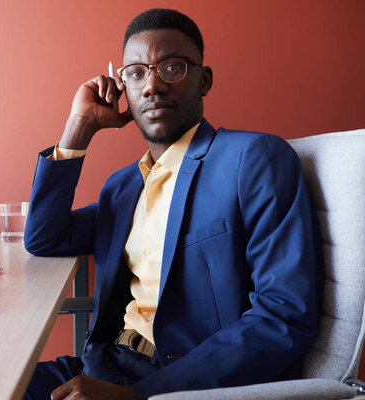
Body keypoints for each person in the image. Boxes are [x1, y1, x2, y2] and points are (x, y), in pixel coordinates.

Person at [23, 8, 323, 400]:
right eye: (136, 73)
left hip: (182, 384)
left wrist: (139, 395)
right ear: (123, 89)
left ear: (204, 80)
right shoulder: (123, 187)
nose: (152, 86)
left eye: (172, 68)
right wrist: (79, 126)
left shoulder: (252, 158)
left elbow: (284, 315)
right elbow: (45, 238)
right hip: (104, 364)